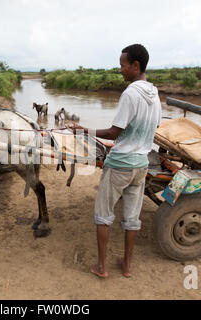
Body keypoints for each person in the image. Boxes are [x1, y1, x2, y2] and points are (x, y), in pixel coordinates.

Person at [67, 44, 162, 278]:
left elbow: (113, 133)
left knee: (103, 214)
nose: (120, 70)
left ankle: (102, 267)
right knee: (132, 218)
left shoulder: (131, 93)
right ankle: (127, 266)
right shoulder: (154, 93)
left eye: (122, 65)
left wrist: (83, 131)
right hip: (141, 164)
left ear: (135, 65)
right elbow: (152, 128)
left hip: (120, 165)